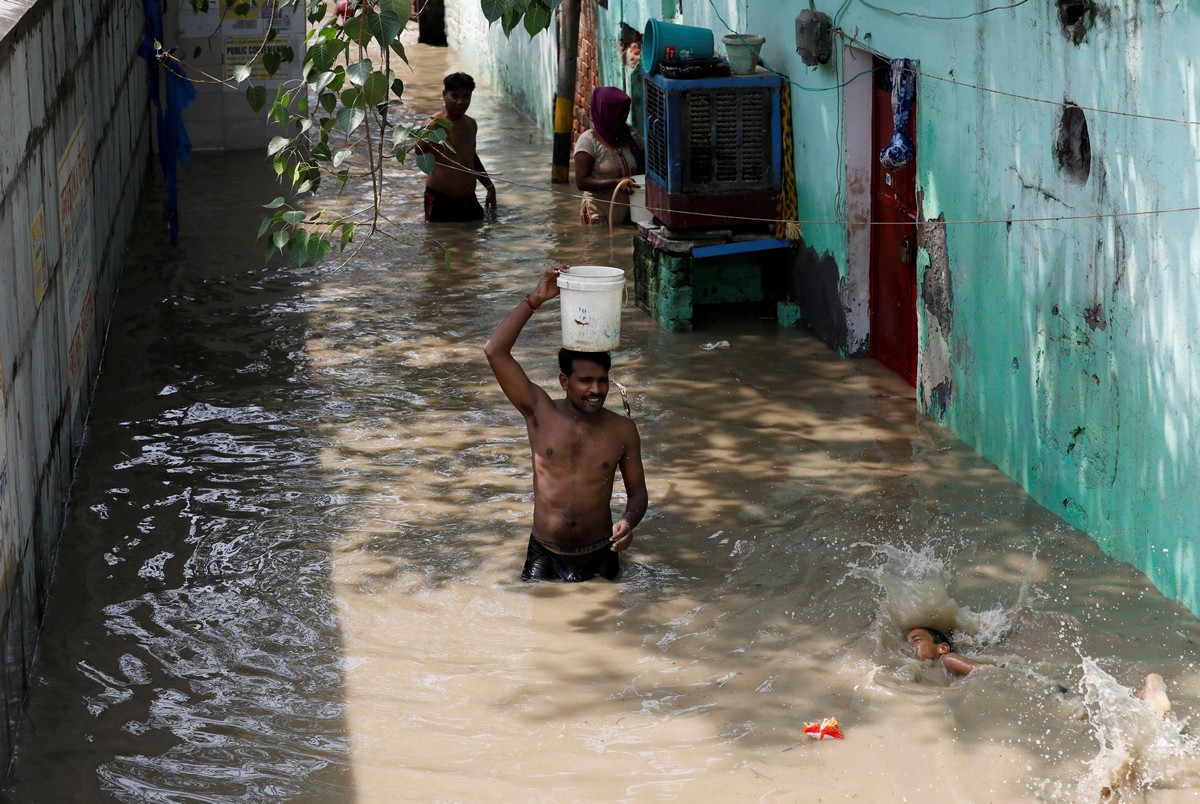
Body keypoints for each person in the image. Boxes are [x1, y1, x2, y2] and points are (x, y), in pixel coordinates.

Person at [483, 264, 648, 582]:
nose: (596, 390)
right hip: (545, 553)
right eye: (585, 380)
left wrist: (629, 522)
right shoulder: (539, 412)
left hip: (601, 553)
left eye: (602, 380)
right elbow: (494, 351)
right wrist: (536, 299)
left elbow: (638, 494)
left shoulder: (622, 430)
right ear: (564, 380)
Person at [417, 72, 496, 222]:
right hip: (440, 200)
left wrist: (490, 187)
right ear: (444, 94)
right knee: (438, 240)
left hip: (468, 199)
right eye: (455, 96)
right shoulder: (434, 123)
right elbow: (418, 151)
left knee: (473, 241)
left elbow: (472, 158)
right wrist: (430, 138)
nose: (461, 102)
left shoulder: (471, 124)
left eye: (466, 97)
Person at [574, 87, 644, 226]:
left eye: (626, 112)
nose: (624, 117)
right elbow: (582, 182)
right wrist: (617, 183)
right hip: (600, 215)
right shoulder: (588, 142)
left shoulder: (631, 136)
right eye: (619, 113)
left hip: (630, 216)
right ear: (606, 113)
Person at [906, 626, 982, 677]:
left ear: (943, 648)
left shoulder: (947, 659)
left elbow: (983, 671)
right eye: (908, 644)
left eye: (916, 640)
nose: (910, 647)